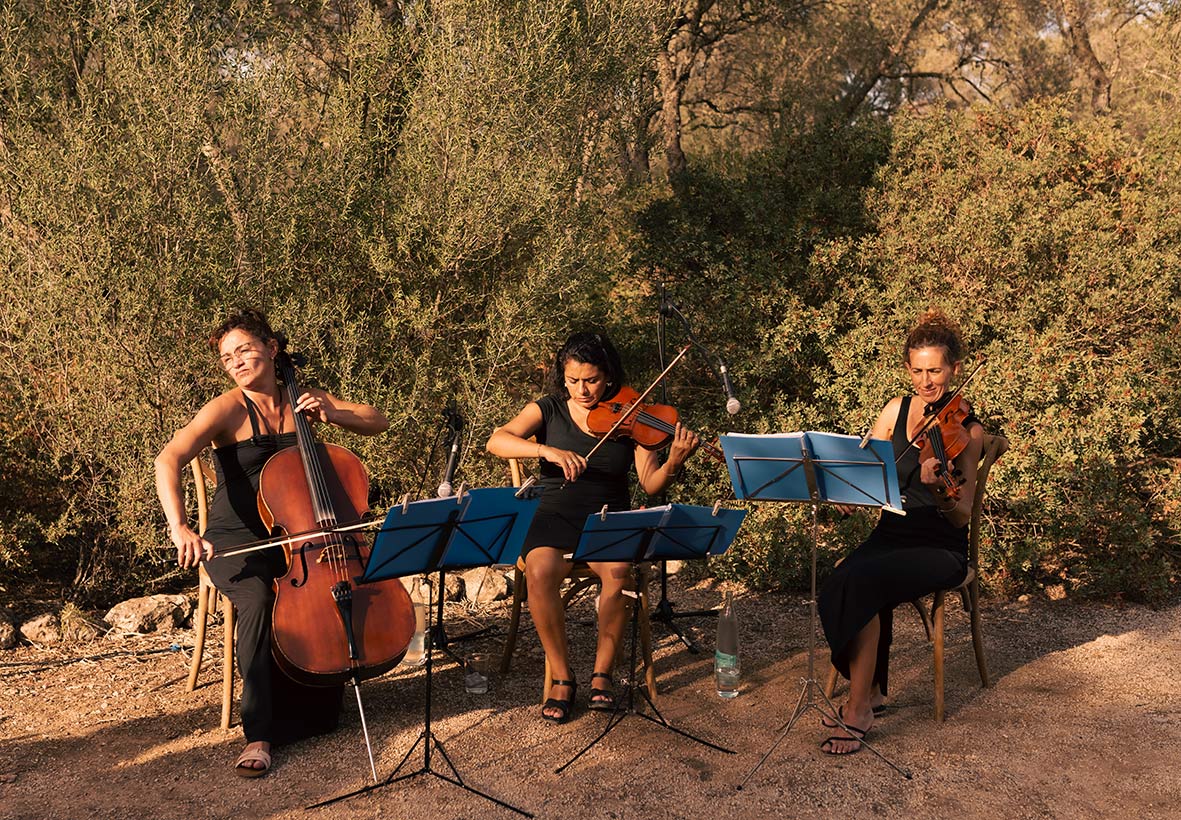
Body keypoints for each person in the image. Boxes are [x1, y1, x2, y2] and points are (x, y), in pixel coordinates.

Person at [154, 308, 390, 777]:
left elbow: (377, 420)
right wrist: (180, 526)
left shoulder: (302, 397)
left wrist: (334, 414)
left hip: (299, 536)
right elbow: (169, 459)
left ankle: (321, 685)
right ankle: (259, 730)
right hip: (236, 540)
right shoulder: (227, 408)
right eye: (227, 357)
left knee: (324, 591)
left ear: (272, 348)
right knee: (260, 598)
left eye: (244, 350)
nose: (236, 362)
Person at [487, 331, 700, 723]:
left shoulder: (631, 413)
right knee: (539, 570)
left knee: (619, 572)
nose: (582, 390)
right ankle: (562, 676)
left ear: (609, 376)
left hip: (608, 518)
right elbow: (496, 441)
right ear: (563, 376)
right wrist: (545, 450)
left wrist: (673, 461)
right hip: (553, 515)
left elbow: (651, 483)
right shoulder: (549, 408)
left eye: (592, 380)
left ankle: (603, 673)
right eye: (573, 380)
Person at [817, 309, 985, 755]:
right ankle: (871, 689)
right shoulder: (896, 410)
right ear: (907, 369)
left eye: (935, 371)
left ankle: (859, 708)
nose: (926, 382)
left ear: (954, 369)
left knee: (864, 579)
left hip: (940, 546)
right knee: (837, 580)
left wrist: (942, 491)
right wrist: (850, 496)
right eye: (918, 371)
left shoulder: (968, 431)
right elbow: (869, 476)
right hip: (890, 535)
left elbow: (962, 516)